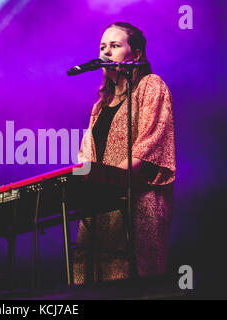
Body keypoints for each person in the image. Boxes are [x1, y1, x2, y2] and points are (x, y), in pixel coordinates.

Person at [74, 22, 176, 284]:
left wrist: (108, 182)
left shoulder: (151, 86)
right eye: (102, 47)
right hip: (100, 203)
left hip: (135, 200)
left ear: (137, 55)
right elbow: (86, 154)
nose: (105, 52)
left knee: (130, 278)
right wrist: (82, 182)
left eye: (115, 46)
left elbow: (150, 143)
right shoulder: (100, 105)